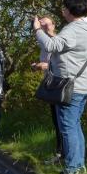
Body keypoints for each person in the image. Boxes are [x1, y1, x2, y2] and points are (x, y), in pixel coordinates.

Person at [34, 0, 87, 174]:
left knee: (68, 128)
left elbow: (51, 46)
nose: (62, 10)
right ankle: (79, 165)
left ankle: (72, 169)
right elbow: (64, 45)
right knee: (75, 126)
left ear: (69, 10)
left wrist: (38, 30)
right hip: (85, 85)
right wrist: (50, 31)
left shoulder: (73, 29)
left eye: (64, 7)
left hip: (71, 88)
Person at [31, 16, 63, 164]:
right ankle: (61, 153)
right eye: (41, 25)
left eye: (46, 25)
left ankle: (63, 154)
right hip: (51, 85)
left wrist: (42, 66)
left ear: (54, 25)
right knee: (57, 121)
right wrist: (36, 66)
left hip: (60, 85)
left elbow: (55, 63)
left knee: (63, 122)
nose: (43, 28)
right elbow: (46, 64)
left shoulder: (58, 40)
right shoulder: (44, 44)